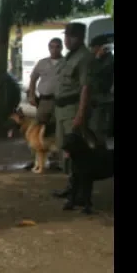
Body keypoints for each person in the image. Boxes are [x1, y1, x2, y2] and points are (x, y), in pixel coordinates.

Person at [51, 22, 94, 202]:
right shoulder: (69, 56)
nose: (66, 40)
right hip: (61, 109)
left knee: (76, 151)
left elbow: (86, 88)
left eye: (71, 37)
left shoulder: (84, 57)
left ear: (80, 37)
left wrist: (80, 114)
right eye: (66, 36)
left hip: (73, 108)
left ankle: (81, 192)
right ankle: (72, 186)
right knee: (65, 149)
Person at [24, 37, 64, 169]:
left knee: (57, 129)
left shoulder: (66, 63)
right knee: (36, 128)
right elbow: (33, 78)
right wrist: (31, 94)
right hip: (44, 100)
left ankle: (55, 160)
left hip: (60, 101)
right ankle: (34, 159)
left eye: (57, 46)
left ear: (61, 47)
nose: (54, 49)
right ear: (48, 48)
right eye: (52, 46)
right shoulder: (42, 63)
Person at [87, 33, 114, 140]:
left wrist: (98, 57)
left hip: (102, 99)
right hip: (90, 98)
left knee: (98, 127)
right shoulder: (90, 58)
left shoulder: (108, 59)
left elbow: (97, 72)